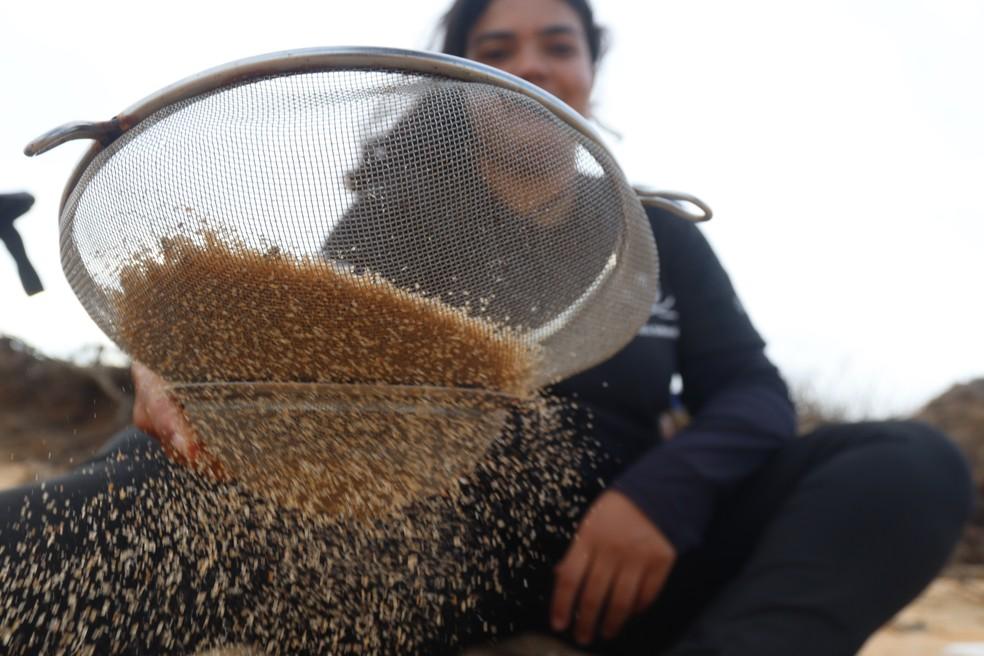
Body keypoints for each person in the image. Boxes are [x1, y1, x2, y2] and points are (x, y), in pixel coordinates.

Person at [0, 1, 973, 655]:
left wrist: (660, 499)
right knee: (139, 496)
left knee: (905, 465)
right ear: (454, 82)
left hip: (636, 572)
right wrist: (175, 351)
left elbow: (751, 395)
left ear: (591, 70)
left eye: (557, 43)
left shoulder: (657, 236)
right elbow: (287, 355)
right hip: (422, 562)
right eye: (494, 51)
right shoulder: (395, 217)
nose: (531, 67)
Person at [0, 191, 44, 295]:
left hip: (5, 221)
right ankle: (35, 291)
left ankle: (35, 291)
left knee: (21, 259)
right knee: (21, 259)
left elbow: (28, 198)